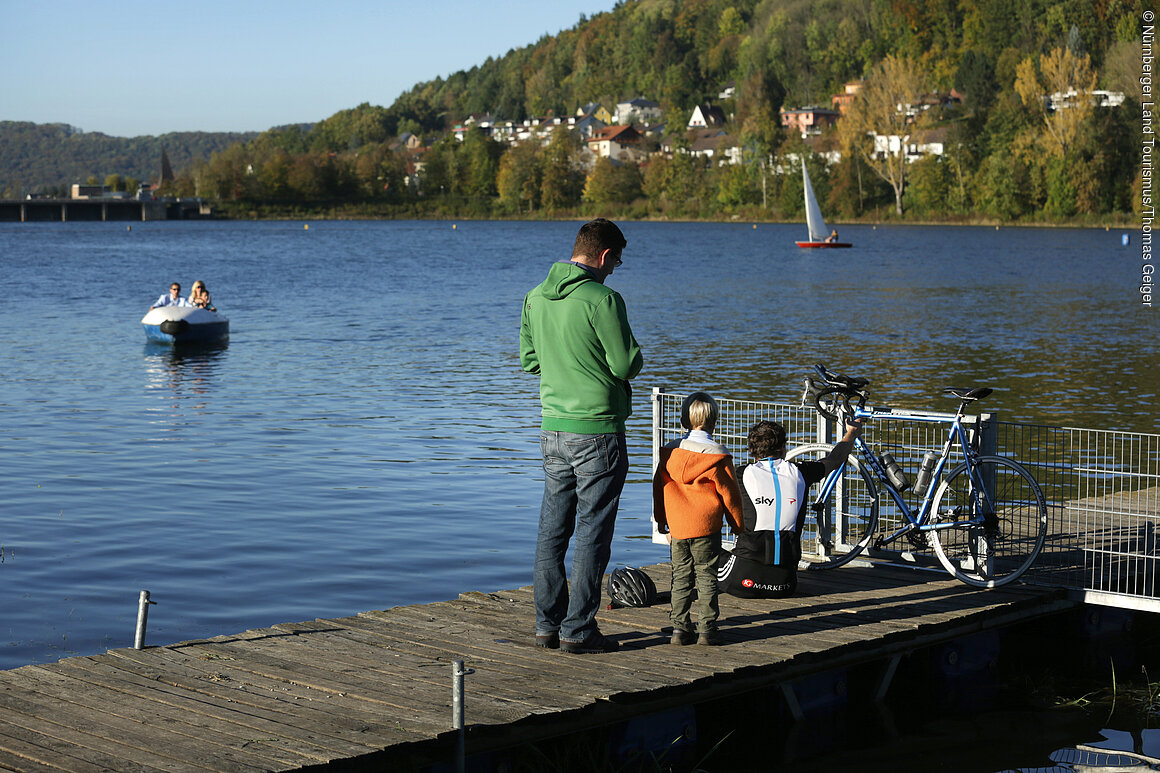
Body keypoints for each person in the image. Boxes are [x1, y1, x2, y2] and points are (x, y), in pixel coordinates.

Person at [520, 218, 643, 655]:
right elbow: (626, 364)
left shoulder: (535, 297)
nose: (615, 270)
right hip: (598, 433)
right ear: (605, 256)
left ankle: (544, 626)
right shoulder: (604, 299)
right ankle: (578, 630)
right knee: (593, 533)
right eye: (617, 262)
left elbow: (530, 361)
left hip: (552, 429)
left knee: (552, 530)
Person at [718, 418, 861, 599]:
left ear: (752, 450)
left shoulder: (741, 474)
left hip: (742, 582)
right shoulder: (801, 471)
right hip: (785, 584)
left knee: (704, 546)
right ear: (783, 448)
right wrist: (852, 432)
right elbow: (836, 459)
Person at [653, 392, 744, 647]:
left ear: (683, 420)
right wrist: (737, 525)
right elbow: (730, 495)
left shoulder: (670, 452)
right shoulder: (718, 455)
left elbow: (657, 487)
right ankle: (707, 629)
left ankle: (680, 630)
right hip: (706, 526)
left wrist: (662, 520)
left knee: (680, 576)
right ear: (715, 421)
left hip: (678, 526)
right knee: (706, 576)